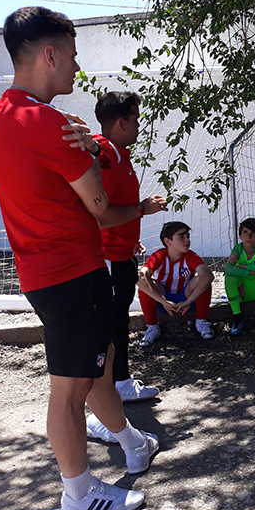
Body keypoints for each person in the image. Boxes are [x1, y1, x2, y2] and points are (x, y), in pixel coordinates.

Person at [0, 6, 160, 510]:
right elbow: (100, 206)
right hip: (70, 271)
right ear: (49, 54)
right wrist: (89, 153)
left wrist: (86, 151)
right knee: (69, 389)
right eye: (73, 55)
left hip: (47, 270)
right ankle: (79, 494)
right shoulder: (47, 122)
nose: (77, 67)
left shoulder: (1, 115)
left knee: (97, 365)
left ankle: (132, 443)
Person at [93, 91, 167, 402]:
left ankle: (119, 383)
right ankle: (115, 387)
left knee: (118, 320)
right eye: (136, 120)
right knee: (113, 324)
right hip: (108, 258)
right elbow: (99, 215)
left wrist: (130, 235)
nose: (139, 126)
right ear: (121, 123)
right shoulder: (105, 157)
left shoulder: (118, 154)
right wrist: (140, 210)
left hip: (121, 253)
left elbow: (114, 209)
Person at [137, 221, 215, 345]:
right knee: (144, 284)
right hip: (162, 303)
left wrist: (189, 301)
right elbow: (140, 278)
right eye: (181, 237)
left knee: (203, 279)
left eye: (188, 236)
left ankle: (201, 321)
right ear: (168, 241)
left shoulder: (191, 256)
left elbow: (208, 275)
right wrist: (164, 302)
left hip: (187, 302)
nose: (187, 240)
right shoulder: (158, 256)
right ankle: (153, 327)